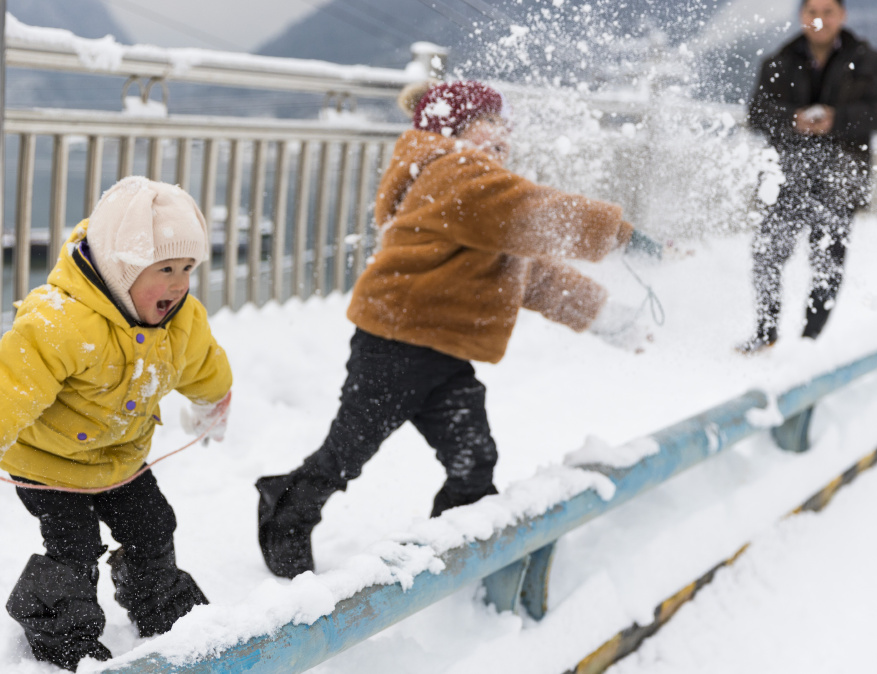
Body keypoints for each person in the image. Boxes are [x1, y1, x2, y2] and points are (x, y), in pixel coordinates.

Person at [255, 80, 655, 579]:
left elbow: (529, 274)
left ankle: (455, 546)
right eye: (491, 123)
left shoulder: (474, 192)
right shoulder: (456, 172)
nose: (504, 134)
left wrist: (606, 318)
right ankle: (285, 510)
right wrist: (620, 233)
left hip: (442, 353)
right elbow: (534, 212)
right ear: (456, 129)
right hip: (395, 345)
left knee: (473, 458)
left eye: (506, 125)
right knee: (348, 451)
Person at [0, 177, 232, 670]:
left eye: (187, 268)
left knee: (154, 526)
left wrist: (214, 400)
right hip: (48, 464)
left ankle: (162, 605)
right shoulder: (59, 322)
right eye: (164, 269)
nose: (178, 283)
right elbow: (9, 389)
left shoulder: (184, 320)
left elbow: (203, 363)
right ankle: (63, 635)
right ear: (121, 269)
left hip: (122, 459)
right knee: (75, 550)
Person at [740, 0, 877, 353]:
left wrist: (835, 119)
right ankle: (765, 333)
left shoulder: (869, 60)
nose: (820, 19)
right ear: (801, 16)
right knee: (767, 253)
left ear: (842, 15)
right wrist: (794, 119)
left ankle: (810, 342)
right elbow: (758, 113)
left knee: (828, 261)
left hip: (842, 174)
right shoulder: (777, 60)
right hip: (785, 174)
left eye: (828, 11)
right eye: (812, 11)